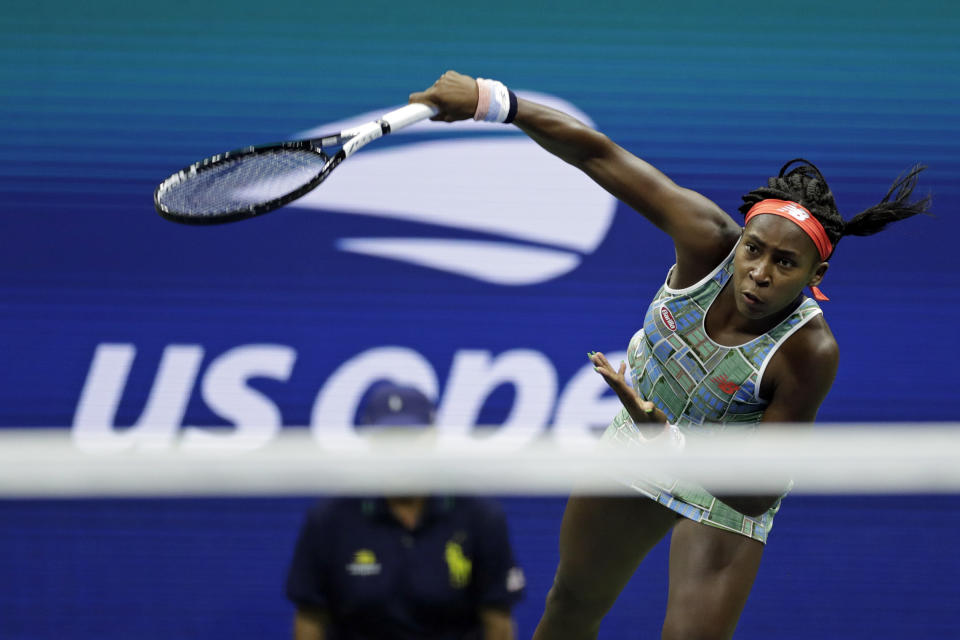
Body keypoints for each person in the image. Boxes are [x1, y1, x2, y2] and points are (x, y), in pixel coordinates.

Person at [409, 71, 931, 640]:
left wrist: (675, 444)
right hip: (637, 446)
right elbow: (596, 152)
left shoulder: (809, 350)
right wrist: (492, 101)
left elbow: (757, 492)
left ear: (816, 275)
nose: (759, 273)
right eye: (753, 250)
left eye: (785, 264)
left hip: (728, 488)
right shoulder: (706, 240)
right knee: (571, 604)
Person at [285, 381, 526, 640]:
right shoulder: (330, 520)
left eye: (410, 438)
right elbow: (310, 619)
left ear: (433, 439)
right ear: (369, 443)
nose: (399, 451)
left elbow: (497, 622)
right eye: (388, 439)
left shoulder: (479, 517)